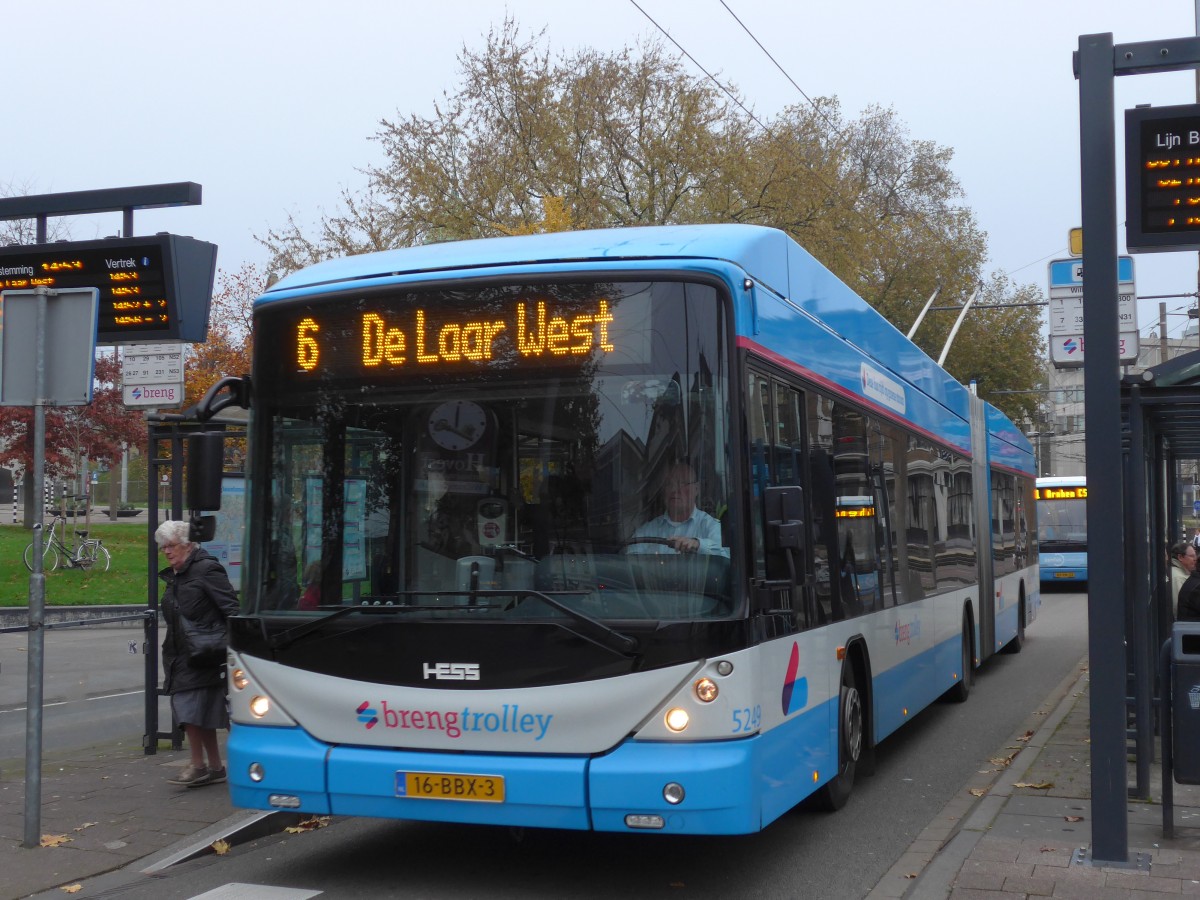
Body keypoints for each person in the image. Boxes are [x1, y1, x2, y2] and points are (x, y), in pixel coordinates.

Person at [156, 520, 239, 787]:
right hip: (182, 652)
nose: (167, 551)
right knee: (200, 710)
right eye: (163, 547)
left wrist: (235, 644)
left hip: (206, 651)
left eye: (171, 546)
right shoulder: (177, 575)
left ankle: (198, 765)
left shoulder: (206, 569)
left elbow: (231, 609)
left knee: (189, 708)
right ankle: (213, 767)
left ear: (188, 545)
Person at [627, 461, 729, 557]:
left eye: (683, 483)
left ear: (696, 489)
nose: (674, 489)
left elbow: (728, 555)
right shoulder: (647, 531)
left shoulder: (710, 526)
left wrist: (698, 544)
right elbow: (631, 561)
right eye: (669, 484)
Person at [1171, 539, 1197, 608]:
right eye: (1192, 556)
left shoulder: (1178, 573)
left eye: (1195, 556)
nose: (1195, 559)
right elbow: (1178, 606)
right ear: (1180, 557)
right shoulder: (1178, 578)